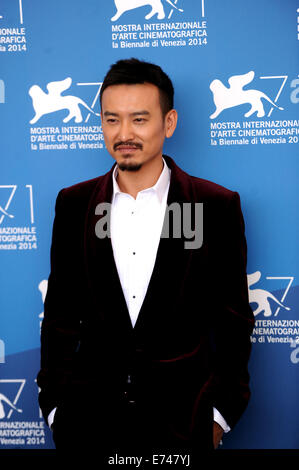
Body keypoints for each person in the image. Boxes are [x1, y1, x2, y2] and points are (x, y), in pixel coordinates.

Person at [37, 58, 254, 464]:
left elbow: (233, 321)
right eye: (112, 120)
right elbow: (60, 316)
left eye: (139, 119)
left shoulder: (212, 206)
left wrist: (219, 417)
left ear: (168, 123)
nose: (124, 134)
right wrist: (56, 409)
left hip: (184, 428)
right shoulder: (75, 204)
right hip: (88, 427)